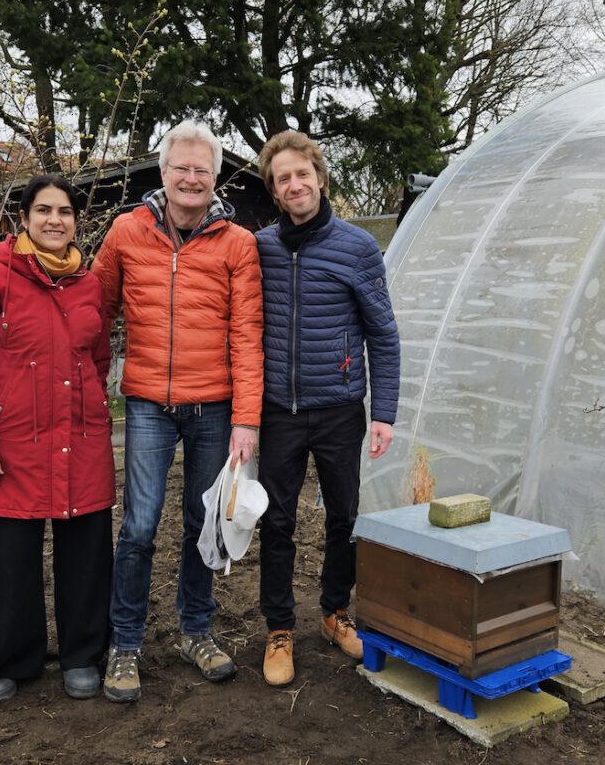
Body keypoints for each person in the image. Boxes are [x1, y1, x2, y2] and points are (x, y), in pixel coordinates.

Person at [91, 119, 264, 703]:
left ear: (215, 178)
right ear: (161, 173)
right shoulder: (125, 232)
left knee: (204, 522)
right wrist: (87, 388)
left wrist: (246, 419)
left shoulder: (236, 244)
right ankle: (125, 642)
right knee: (139, 525)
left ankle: (196, 630)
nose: (191, 178)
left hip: (213, 407)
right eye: (181, 168)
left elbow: (247, 334)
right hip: (147, 404)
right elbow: (96, 312)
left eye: (202, 170)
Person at [0, 174, 116, 704]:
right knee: (10, 561)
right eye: (43, 210)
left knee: (87, 556)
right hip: (12, 443)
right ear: (23, 218)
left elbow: (97, 360)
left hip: (81, 438)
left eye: (65, 212)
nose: (54, 220)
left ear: (75, 222)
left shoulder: (88, 284)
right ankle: (11, 659)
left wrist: (96, 416)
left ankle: (82, 654)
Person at [254, 131, 400, 687]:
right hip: (279, 411)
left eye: (302, 173)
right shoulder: (259, 248)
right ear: (274, 189)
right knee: (278, 520)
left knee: (344, 516)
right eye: (283, 177)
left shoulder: (358, 247)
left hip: (340, 407)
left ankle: (335, 612)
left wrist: (383, 410)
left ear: (320, 177)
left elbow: (382, 335)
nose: (295, 184)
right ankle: (279, 629)